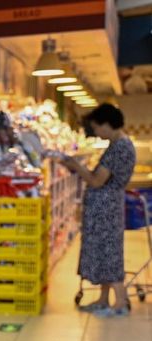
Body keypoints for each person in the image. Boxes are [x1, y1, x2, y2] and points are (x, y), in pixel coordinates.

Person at [60, 103, 136, 316]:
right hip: (107, 205)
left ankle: (120, 302)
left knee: (108, 251)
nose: (96, 132)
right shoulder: (119, 144)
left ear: (106, 124)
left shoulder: (119, 147)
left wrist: (77, 167)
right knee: (105, 250)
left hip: (106, 207)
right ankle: (103, 299)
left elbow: (96, 181)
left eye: (97, 127)